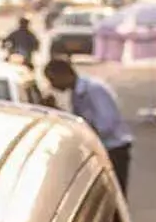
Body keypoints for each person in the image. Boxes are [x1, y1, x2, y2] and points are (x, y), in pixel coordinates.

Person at [43, 56, 133, 195]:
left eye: (52, 80)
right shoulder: (76, 93)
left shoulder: (94, 89)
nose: (52, 85)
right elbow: (80, 121)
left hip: (113, 148)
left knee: (114, 196)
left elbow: (106, 124)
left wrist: (85, 138)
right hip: (102, 148)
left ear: (64, 75)